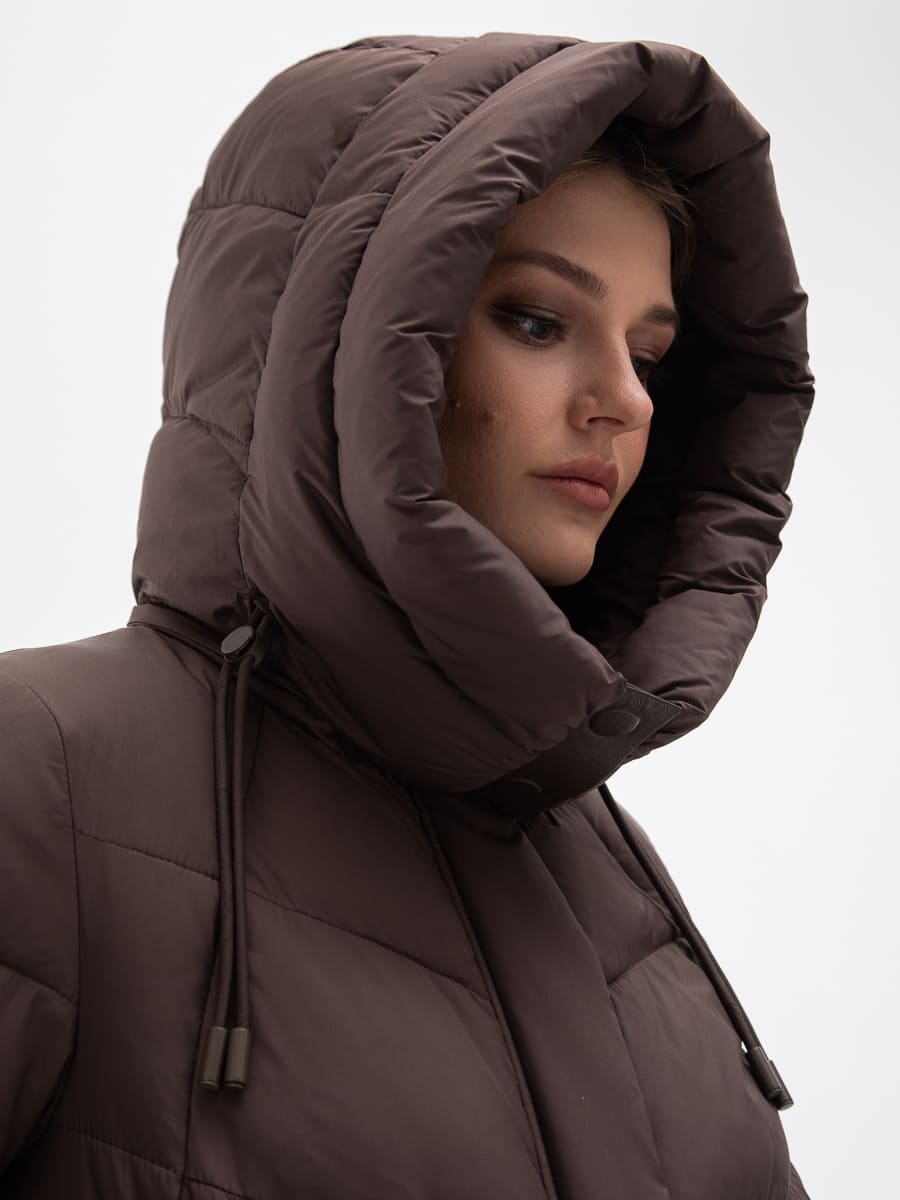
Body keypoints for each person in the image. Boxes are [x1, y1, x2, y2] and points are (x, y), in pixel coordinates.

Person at [0, 30, 814, 1200]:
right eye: (537, 320)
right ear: (330, 348)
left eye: (649, 354)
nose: (626, 401)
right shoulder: (40, 774)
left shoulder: (598, 860)